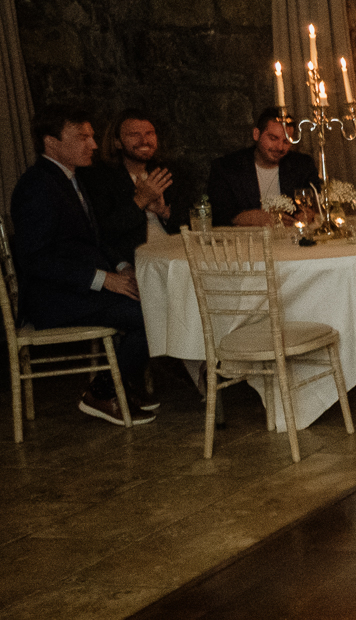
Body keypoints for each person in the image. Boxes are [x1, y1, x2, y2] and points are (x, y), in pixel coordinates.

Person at [8, 106, 156, 424]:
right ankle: (103, 392)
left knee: (156, 300)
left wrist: (119, 266)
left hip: (82, 290)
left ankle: (119, 387)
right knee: (152, 314)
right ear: (51, 142)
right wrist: (103, 280)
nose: (92, 144)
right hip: (56, 299)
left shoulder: (70, 178)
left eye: (91, 136)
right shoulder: (37, 186)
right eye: (82, 137)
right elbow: (35, 260)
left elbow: (92, 238)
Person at [80, 109, 191, 266]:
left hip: (177, 256)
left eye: (149, 134)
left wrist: (163, 211)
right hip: (136, 262)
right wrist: (141, 200)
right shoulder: (100, 178)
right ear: (117, 142)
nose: (144, 141)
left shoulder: (169, 172)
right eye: (134, 135)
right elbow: (103, 232)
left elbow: (192, 225)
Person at [204, 107, 319, 227]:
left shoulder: (302, 165)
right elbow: (216, 214)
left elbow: (318, 203)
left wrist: (310, 213)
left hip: (291, 239)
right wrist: (244, 218)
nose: (280, 147)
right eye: (273, 138)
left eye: (286, 141)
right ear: (256, 134)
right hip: (247, 242)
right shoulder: (227, 167)